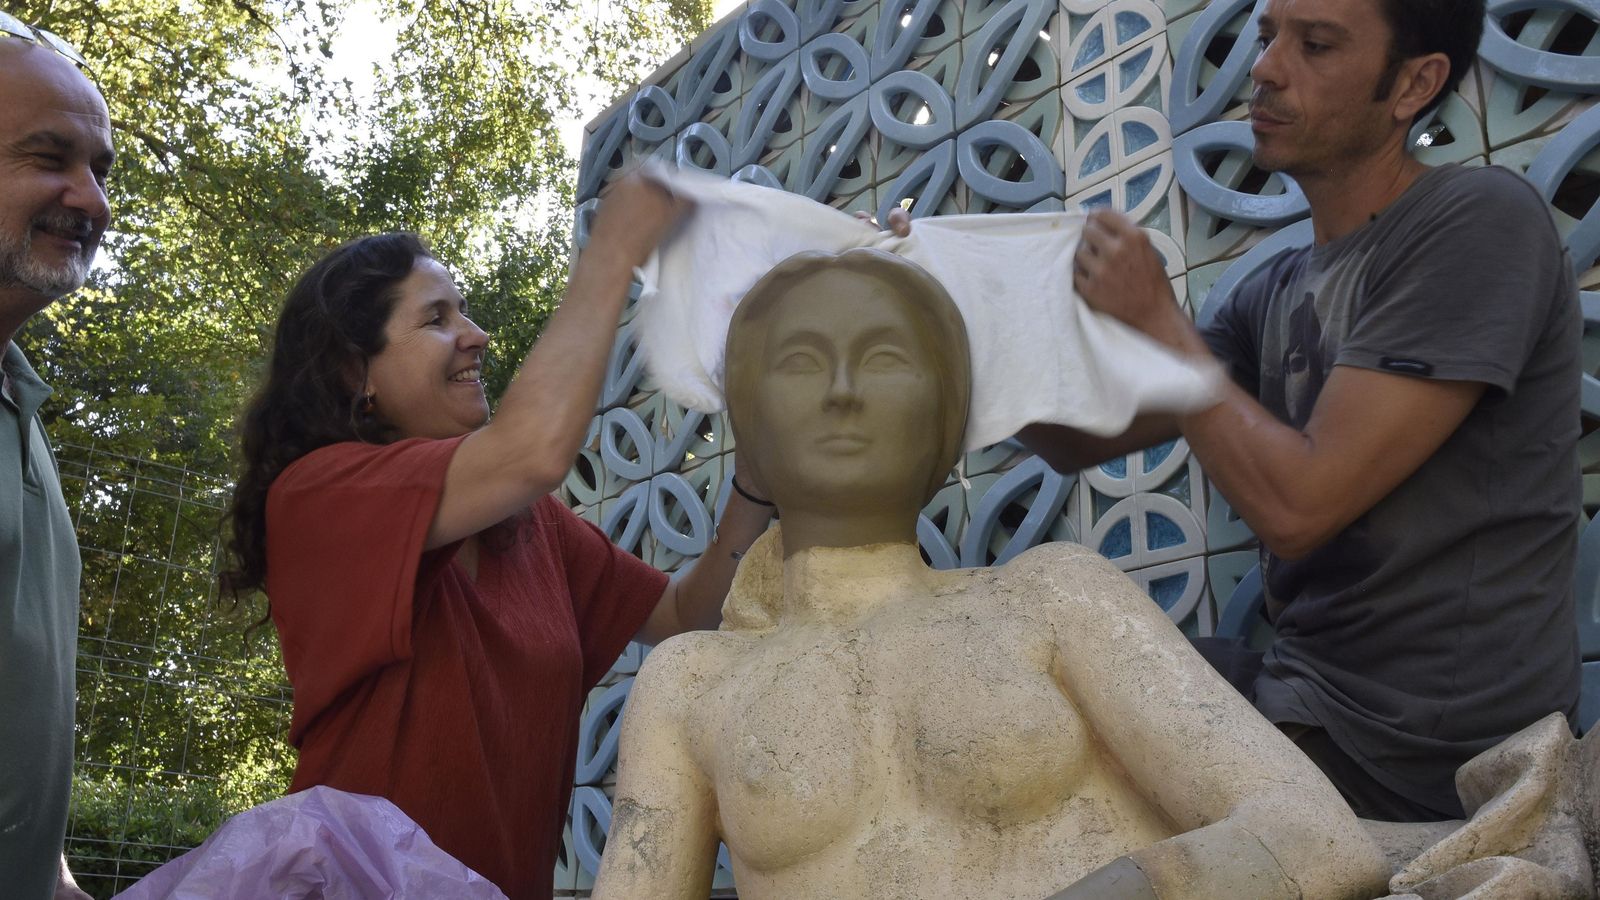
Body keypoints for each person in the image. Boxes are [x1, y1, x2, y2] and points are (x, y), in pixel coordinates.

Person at [592, 249, 1388, 900]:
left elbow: (1313, 834)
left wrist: (1137, 886)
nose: (842, 391)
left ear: (945, 423)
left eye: (884, 359)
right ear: (749, 430)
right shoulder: (693, 683)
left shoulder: (1051, 599)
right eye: (802, 363)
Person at [1022, 0, 1581, 822]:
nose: (1265, 69)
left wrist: (1158, 321)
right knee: (1023, 673)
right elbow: (1077, 441)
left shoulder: (1482, 223)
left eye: (1315, 45)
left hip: (1421, 747)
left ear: (1412, 85)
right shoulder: (1271, 287)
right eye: (1266, 37)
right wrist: (949, 319)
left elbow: (1299, 505)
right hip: (1298, 700)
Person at [219, 178, 777, 900]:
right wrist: (612, 252)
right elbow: (535, 451)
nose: (477, 335)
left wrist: (755, 482)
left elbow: (688, 615)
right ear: (355, 372)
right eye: (437, 319)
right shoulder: (319, 495)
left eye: (466, 311)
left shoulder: (531, 524)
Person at [0, 14, 113, 900]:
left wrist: (58, 881)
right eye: (49, 157)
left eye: (99, 170)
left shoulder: (22, 407)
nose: (93, 201)